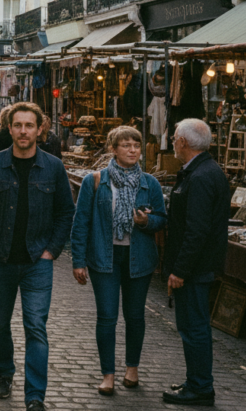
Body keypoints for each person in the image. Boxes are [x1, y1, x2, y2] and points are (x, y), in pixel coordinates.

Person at [0, 102, 75, 411]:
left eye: (30, 125)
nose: (24, 131)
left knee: (35, 326)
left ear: (40, 129)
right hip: (1, 258)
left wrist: (51, 251)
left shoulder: (53, 166)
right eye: (18, 125)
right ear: (9, 128)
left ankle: (35, 395)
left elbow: (65, 213)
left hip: (36, 262)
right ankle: (4, 373)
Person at [70, 126, 168, 397]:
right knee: (107, 317)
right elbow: (81, 224)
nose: (133, 150)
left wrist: (146, 221)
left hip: (140, 258)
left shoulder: (150, 182)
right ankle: (108, 374)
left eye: (136, 145)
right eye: (126, 145)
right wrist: (78, 261)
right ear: (114, 149)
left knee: (135, 316)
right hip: (104, 257)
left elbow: (161, 218)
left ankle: (132, 368)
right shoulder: (96, 180)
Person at [162, 119, 230, 406]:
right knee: (192, 327)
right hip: (196, 266)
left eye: (175, 138)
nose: (173, 143)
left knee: (194, 328)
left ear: (184, 143)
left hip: (195, 268)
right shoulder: (201, 172)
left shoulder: (202, 176)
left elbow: (196, 230)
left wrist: (180, 270)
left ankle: (201, 387)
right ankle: (196, 380)